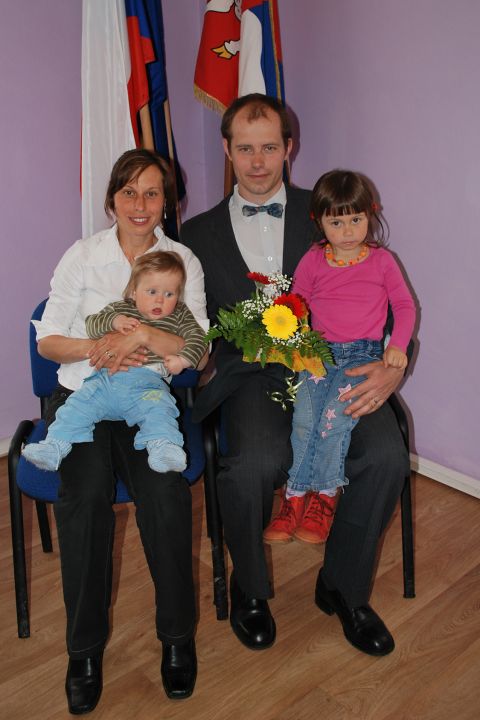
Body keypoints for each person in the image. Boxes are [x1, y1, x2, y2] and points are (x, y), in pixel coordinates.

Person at [181, 93, 409, 658]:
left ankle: (342, 587)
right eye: (245, 149)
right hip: (252, 376)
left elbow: (387, 299)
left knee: (385, 456)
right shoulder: (196, 234)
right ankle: (251, 587)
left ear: (289, 147)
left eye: (269, 147)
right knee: (254, 464)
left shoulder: (331, 207)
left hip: (340, 366)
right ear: (227, 151)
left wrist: (391, 370)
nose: (258, 162)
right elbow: (193, 323)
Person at [34, 149, 208, 713]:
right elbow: (48, 340)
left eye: (153, 192)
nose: (140, 203)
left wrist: (143, 339)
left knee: (164, 494)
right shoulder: (82, 255)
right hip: (85, 394)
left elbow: (197, 348)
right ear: (111, 199)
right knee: (84, 499)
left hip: (148, 400)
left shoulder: (182, 260)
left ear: (167, 201)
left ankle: (177, 638)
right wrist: (101, 347)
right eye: (129, 191)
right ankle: (83, 651)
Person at [263, 169, 416, 546]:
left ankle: (325, 496)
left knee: (334, 421)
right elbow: (297, 304)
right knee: (304, 420)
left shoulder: (382, 261)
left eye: (356, 220)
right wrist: (291, 337)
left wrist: (397, 345)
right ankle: (294, 497)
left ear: (370, 214)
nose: (347, 231)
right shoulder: (313, 260)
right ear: (319, 221)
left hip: (361, 357)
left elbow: (404, 305)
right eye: (336, 222)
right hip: (318, 353)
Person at [24, 251, 207, 474]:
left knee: (160, 410)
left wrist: (183, 360)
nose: (160, 300)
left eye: (169, 294)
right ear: (134, 291)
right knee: (75, 407)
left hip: (147, 386)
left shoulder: (180, 314)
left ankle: (163, 448)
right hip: (104, 381)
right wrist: (114, 321)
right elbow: (92, 324)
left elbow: (199, 340)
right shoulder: (120, 309)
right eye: (152, 292)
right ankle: (54, 447)